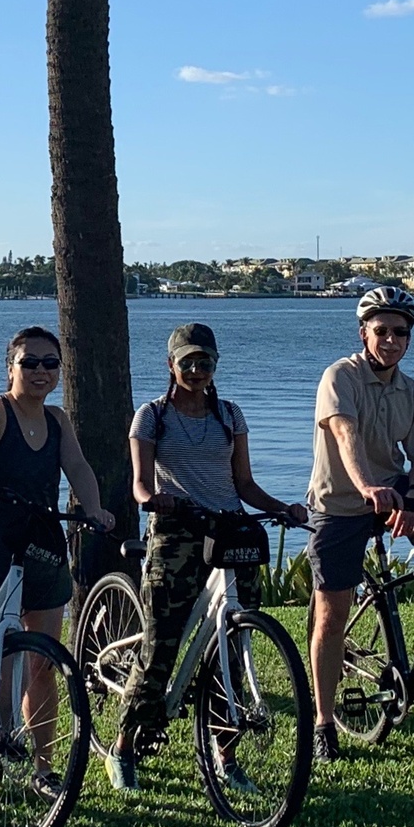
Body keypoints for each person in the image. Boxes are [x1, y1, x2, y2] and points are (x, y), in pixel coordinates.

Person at [106, 323, 306, 791]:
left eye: (205, 362)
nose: (196, 371)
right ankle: (123, 745)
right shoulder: (151, 417)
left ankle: (225, 754)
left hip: (229, 530)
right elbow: (139, 484)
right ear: (171, 366)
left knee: (234, 647)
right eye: (188, 362)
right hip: (176, 533)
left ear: (216, 365)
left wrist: (283, 509)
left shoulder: (230, 415)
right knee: (160, 648)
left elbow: (244, 484)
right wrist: (155, 499)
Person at [0, 325, 116, 760]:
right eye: (30, 363)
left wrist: (95, 509)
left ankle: (43, 768)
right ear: (11, 368)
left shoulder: (57, 419)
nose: (41, 371)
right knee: (4, 667)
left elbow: (77, 467)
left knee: (42, 663)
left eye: (50, 364)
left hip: (42, 541)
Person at [306, 286, 414, 755]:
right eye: (381, 330)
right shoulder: (339, 377)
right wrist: (365, 486)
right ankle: (323, 722)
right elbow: (346, 434)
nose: (391, 339)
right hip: (342, 502)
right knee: (330, 615)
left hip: (392, 491)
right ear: (364, 333)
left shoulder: (411, 390)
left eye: (400, 332)